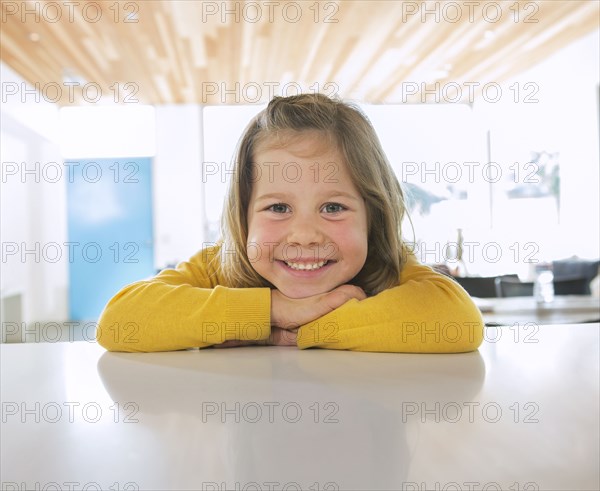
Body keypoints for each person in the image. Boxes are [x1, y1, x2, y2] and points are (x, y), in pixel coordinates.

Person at [96, 93, 484, 353]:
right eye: (278, 208)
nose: (304, 236)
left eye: (333, 208)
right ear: (244, 216)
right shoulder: (222, 265)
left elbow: (458, 321)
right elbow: (119, 322)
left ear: (373, 215)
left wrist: (297, 332)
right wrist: (273, 311)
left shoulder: (386, 268)